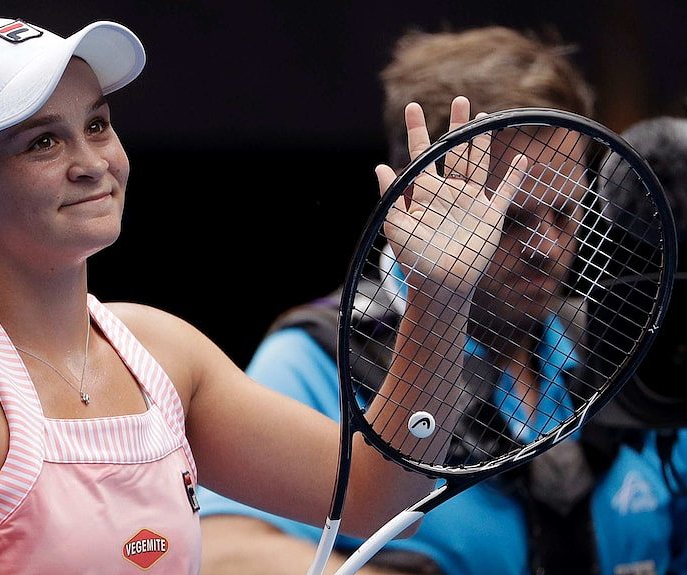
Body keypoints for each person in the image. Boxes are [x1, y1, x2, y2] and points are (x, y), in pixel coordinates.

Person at [0, 17, 518, 575]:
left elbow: (378, 492)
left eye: (97, 124)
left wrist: (439, 294)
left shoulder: (162, 348)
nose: (91, 161)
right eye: (43, 140)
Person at [198, 27, 687, 575]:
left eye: (566, 214)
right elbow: (222, 553)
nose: (546, 249)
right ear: (415, 201)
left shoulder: (629, 352)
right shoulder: (318, 361)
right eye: (509, 221)